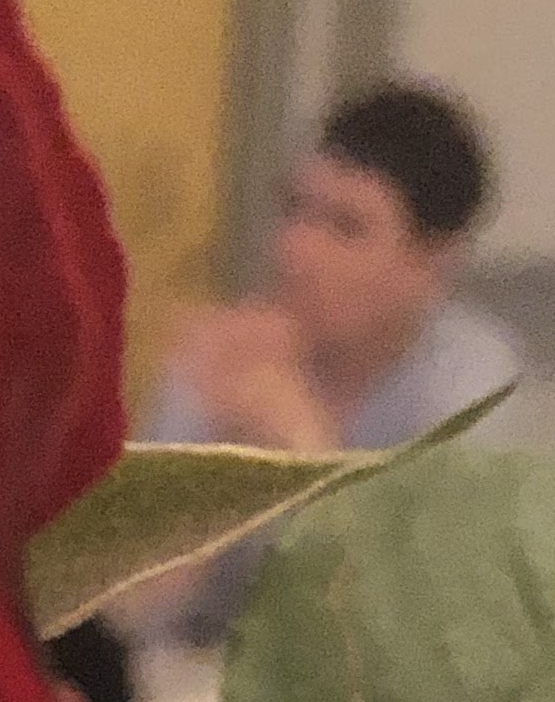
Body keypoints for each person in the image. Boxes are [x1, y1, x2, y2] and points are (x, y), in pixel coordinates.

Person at [137, 82, 521, 644]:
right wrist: (209, 475)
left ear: (430, 264)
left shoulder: (469, 382)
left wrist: (303, 446)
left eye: (345, 228)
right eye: (296, 210)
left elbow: (428, 628)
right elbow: (129, 622)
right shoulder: (230, 358)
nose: (295, 251)